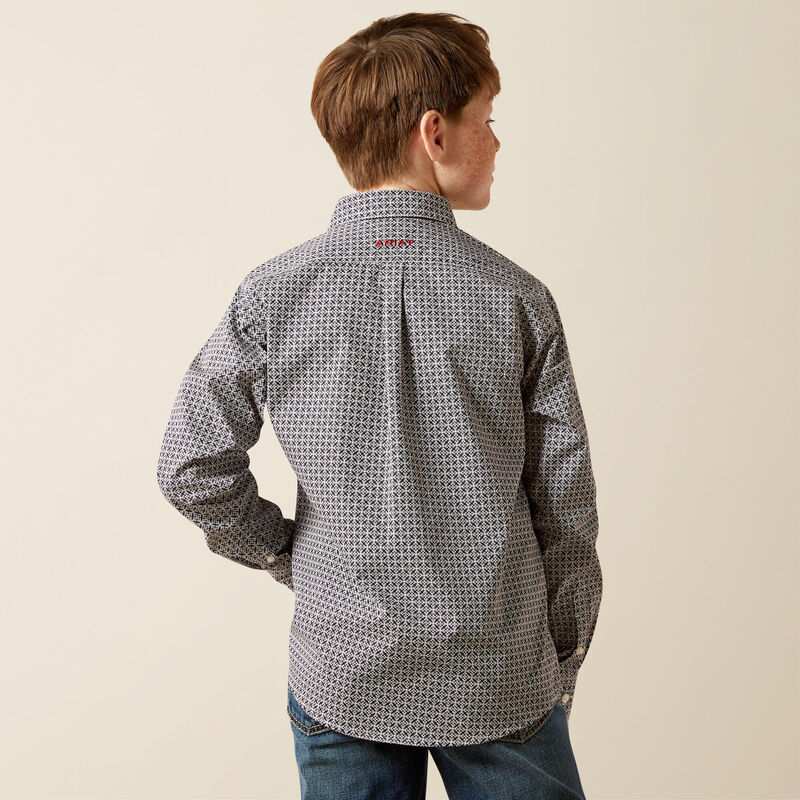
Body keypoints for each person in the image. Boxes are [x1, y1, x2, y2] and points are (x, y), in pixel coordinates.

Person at [157, 11, 602, 800]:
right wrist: (561, 655)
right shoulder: (516, 299)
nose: (497, 142)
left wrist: (286, 554)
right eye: (486, 121)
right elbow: (564, 511)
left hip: (343, 666)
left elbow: (191, 468)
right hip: (499, 673)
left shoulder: (273, 294)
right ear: (435, 133)